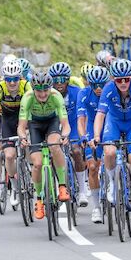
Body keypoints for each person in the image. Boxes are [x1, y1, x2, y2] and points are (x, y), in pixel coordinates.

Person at [92, 59, 131, 222]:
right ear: (113, 79)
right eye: (119, 80)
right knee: (109, 152)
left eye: (126, 79)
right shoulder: (108, 89)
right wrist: (97, 136)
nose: (123, 83)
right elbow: (100, 115)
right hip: (115, 121)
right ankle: (111, 181)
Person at [17, 72, 71, 219]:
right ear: (33, 89)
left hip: (52, 122)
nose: (42, 94)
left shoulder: (56, 96)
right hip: (35, 125)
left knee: (54, 145)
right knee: (37, 164)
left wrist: (65, 135)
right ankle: (39, 201)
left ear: (50, 88)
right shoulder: (27, 98)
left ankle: (62, 186)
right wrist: (22, 137)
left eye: (45, 90)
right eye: (38, 90)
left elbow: (65, 125)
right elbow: (21, 126)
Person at [0, 60, 32, 205]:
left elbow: (32, 110)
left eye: (15, 79)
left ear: (20, 77)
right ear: (4, 78)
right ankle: (15, 187)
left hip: (24, 117)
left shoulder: (26, 86)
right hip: (7, 120)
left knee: (29, 144)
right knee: (9, 156)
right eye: (9, 79)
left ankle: (29, 169)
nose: (12, 83)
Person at [49, 62, 86, 206]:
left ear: (68, 79)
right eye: (55, 80)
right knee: (53, 154)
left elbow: (82, 114)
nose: (59, 83)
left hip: (74, 125)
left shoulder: (76, 92)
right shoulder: (48, 94)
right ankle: (60, 184)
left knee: (76, 152)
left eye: (62, 79)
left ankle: (82, 190)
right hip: (56, 126)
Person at [77, 66, 110, 223]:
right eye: (94, 85)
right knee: (92, 167)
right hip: (91, 127)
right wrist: (83, 136)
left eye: (101, 85)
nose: (98, 89)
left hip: (109, 125)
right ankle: (96, 207)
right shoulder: (83, 93)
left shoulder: (111, 90)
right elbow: (81, 118)